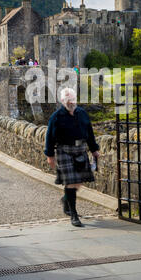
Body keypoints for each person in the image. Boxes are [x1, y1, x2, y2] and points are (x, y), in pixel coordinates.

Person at [44, 87, 100, 227]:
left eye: (73, 100)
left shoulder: (82, 113)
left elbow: (89, 132)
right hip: (65, 151)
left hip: (81, 150)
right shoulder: (56, 117)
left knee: (79, 182)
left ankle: (66, 199)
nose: (71, 102)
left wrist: (94, 150)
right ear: (62, 101)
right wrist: (50, 155)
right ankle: (73, 215)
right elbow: (49, 137)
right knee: (71, 182)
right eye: (68, 100)